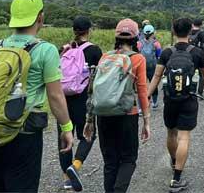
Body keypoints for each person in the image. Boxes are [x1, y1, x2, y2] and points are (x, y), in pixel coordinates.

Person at [0, 0, 74, 193]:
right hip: (24, 134)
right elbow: (55, 96)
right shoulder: (45, 50)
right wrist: (66, 127)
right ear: (40, 17)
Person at [83, 19, 151, 193]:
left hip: (103, 115)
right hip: (127, 115)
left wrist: (89, 120)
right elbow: (142, 92)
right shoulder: (137, 59)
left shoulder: (105, 57)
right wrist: (147, 121)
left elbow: (93, 90)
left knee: (110, 162)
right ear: (136, 37)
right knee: (128, 159)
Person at [148, 18, 204, 193]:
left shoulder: (167, 52)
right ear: (190, 31)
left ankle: (174, 159)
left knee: (171, 133)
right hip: (188, 99)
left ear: (174, 32)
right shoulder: (197, 52)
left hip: (170, 99)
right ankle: (176, 178)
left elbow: (157, 76)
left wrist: (146, 95)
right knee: (184, 136)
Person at [58, 16, 103, 190]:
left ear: (74, 31)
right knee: (88, 134)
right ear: (89, 30)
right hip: (84, 100)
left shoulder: (64, 49)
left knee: (64, 135)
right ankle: (75, 166)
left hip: (63, 99)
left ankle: (66, 179)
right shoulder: (94, 51)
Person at [138, 24, 162, 109]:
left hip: (142, 68)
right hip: (153, 67)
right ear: (153, 33)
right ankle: (154, 104)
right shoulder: (156, 43)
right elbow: (159, 56)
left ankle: (141, 107)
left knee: (141, 86)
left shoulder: (139, 43)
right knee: (154, 85)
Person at [188, 18, 204, 100]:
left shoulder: (189, 32)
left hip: (189, 53)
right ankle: (200, 93)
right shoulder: (201, 33)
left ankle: (190, 90)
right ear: (201, 24)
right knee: (201, 74)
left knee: (190, 72)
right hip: (199, 54)